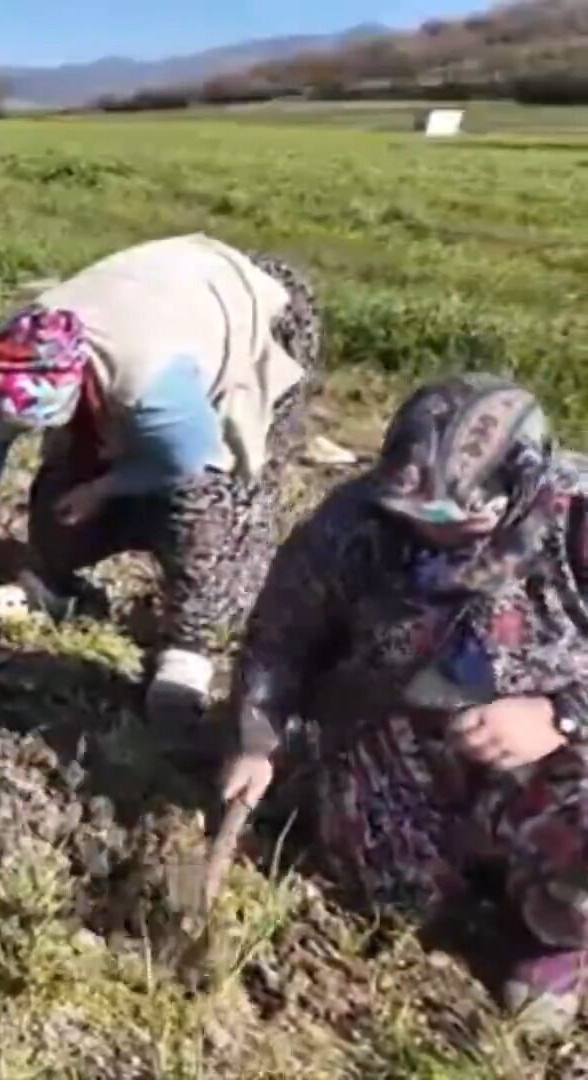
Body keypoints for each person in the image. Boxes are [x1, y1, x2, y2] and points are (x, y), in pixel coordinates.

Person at [221, 374, 588, 1025]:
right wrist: (258, 738)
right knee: (395, 896)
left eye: (456, 520)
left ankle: (555, 934)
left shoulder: (576, 518)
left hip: (561, 741)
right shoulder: (357, 521)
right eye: (414, 516)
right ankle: (483, 882)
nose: (428, 534)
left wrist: (560, 712)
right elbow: (281, 635)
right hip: (391, 736)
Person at [0, 232, 321, 722]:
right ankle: (54, 582)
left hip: (249, 310)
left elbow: (187, 456)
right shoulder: (16, 352)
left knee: (209, 498)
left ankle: (190, 647)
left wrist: (104, 489)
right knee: (69, 471)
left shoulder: (150, 382)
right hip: (156, 299)